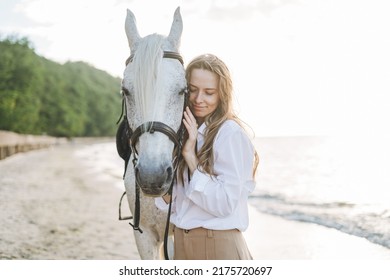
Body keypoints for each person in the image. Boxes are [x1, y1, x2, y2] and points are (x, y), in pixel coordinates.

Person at [155, 54, 259, 260]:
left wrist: (191, 158)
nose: (198, 99)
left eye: (209, 93)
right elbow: (178, 205)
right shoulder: (187, 132)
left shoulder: (229, 134)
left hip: (217, 246)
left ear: (222, 95)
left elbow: (224, 204)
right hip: (182, 246)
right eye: (192, 90)